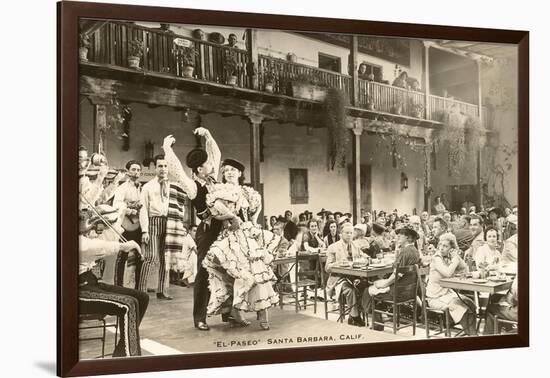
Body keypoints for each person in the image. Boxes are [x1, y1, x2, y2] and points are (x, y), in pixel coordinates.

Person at [162, 130, 230, 331]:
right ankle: (199, 317)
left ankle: (229, 313)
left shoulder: (213, 181)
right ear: (200, 169)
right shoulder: (193, 187)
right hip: (208, 231)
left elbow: (215, 155)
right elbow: (177, 172)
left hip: (225, 229)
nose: (212, 165)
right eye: (208, 164)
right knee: (204, 272)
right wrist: (167, 149)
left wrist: (209, 136)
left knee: (230, 269)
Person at [202, 158, 280, 330]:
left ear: (240, 173)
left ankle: (263, 313)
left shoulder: (248, 192)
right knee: (241, 275)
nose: (229, 172)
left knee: (259, 273)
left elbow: (253, 216)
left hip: (248, 235)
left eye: (233, 170)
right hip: (231, 236)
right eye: (226, 170)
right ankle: (237, 312)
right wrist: (230, 217)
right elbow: (215, 215)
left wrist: (253, 228)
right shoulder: (219, 191)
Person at [79, 208, 148, 357]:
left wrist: (119, 215)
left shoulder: (82, 235)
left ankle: (122, 352)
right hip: (77, 291)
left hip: (90, 281)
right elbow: (93, 247)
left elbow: (100, 244)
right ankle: (130, 359)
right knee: (128, 304)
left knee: (142, 298)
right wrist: (122, 246)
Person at [363, 225, 421, 331]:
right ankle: (381, 315)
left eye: (400, 235)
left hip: (397, 293)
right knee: (377, 286)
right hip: (410, 292)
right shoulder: (415, 251)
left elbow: (396, 276)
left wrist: (384, 284)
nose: (398, 237)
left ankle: (376, 323)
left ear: (408, 238)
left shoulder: (405, 252)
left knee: (368, 290)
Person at [425, 233, 478, 336]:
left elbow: (465, 269)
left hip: (448, 294)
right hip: (435, 297)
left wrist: (456, 256)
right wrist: (455, 260)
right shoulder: (437, 258)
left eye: (445, 246)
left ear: (451, 249)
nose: (441, 248)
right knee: (460, 307)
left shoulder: (449, 257)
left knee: (471, 303)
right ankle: (471, 335)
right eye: (440, 245)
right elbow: (448, 273)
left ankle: (472, 333)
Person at [137, 155, 173, 300]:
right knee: (150, 257)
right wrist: (144, 229)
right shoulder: (148, 186)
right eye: (160, 166)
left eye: (165, 166)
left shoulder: (172, 186)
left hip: (169, 222)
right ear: (155, 168)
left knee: (166, 257)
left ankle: (161, 290)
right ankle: (141, 291)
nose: (163, 169)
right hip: (153, 222)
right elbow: (143, 208)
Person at [325, 223, 367, 326]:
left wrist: (365, 259)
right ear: (340, 234)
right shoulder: (333, 247)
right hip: (338, 278)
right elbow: (327, 268)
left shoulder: (355, 246)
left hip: (354, 276)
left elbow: (365, 257)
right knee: (350, 290)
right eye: (347, 233)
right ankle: (355, 316)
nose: (349, 235)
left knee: (365, 286)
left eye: (351, 233)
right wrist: (339, 263)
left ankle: (358, 314)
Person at [113, 160, 143, 288]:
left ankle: (138, 286)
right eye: (133, 169)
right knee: (123, 255)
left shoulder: (141, 188)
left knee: (139, 255)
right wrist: (129, 208)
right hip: (126, 225)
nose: (136, 172)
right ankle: (118, 285)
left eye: (138, 170)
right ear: (128, 171)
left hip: (139, 225)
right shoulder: (122, 188)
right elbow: (116, 204)